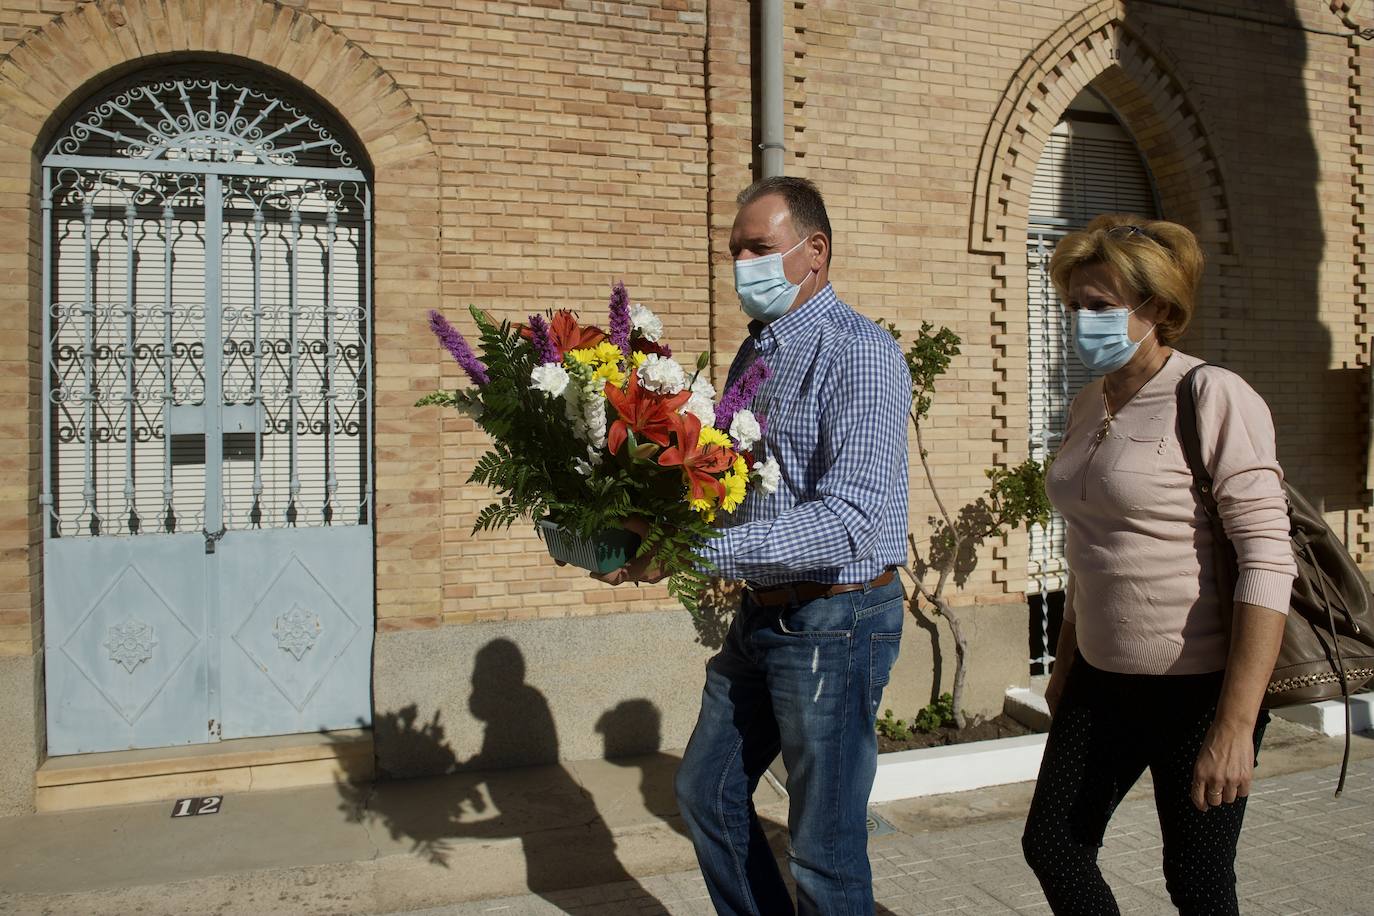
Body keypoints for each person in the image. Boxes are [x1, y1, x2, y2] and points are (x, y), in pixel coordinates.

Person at [597, 176, 912, 915]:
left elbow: (852, 522)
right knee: (707, 792)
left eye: (760, 248)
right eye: (736, 250)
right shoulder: (755, 355)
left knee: (825, 853)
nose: (744, 264)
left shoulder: (857, 353)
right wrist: (646, 530)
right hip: (764, 617)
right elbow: (736, 492)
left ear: (815, 251)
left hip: (837, 623)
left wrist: (691, 556)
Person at [1021, 214, 1297, 915]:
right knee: (1054, 845)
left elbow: (1268, 556)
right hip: (1099, 683)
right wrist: (1063, 662)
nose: (1081, 321)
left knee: (1198, 884)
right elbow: (1091, 547)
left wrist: (1236, 726)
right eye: (1074, 305)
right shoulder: (1090, 402)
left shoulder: (1210, 395)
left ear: (1159, 311)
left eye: (1101, 307)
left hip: (1199, 694)